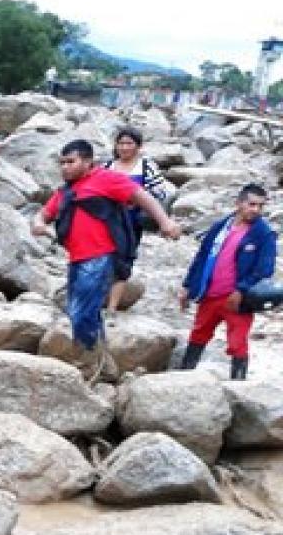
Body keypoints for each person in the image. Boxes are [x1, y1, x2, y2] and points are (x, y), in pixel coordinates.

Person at [32, 139, 181, 380]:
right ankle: (103, 364)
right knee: (84, 312)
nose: (65, 167)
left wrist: (165, 222)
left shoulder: (107, 179)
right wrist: (38, 224)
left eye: (71, 162)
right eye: (62, 163)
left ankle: (86, 364)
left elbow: (143, 197)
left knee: (80, 312)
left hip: (101, 257)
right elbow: (45, 213)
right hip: (77, 259)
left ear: (89, 162)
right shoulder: (66, 191)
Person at [179, 184, 276, 380]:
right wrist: (188, 285)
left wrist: (241, 289)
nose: (255, 210)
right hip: (209, 293)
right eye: (251, 204)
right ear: (239, 203)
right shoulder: (221, 227)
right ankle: (183, 377)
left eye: (260, 206)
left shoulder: (263, 234)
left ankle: (238, 385)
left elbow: (265, 269)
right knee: (198, 334)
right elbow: (202, 257)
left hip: (238, 299)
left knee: (237, 343)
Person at [104, 127, 169, 312]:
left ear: (138, 146)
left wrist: (137, 198)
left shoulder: (146, 167)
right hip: (108, 220)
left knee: (124, 261)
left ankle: (111, 307)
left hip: (132, 222)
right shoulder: (108, 167)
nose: (124, 147)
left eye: (129, 143)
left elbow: (160, 192)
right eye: (121, 143)